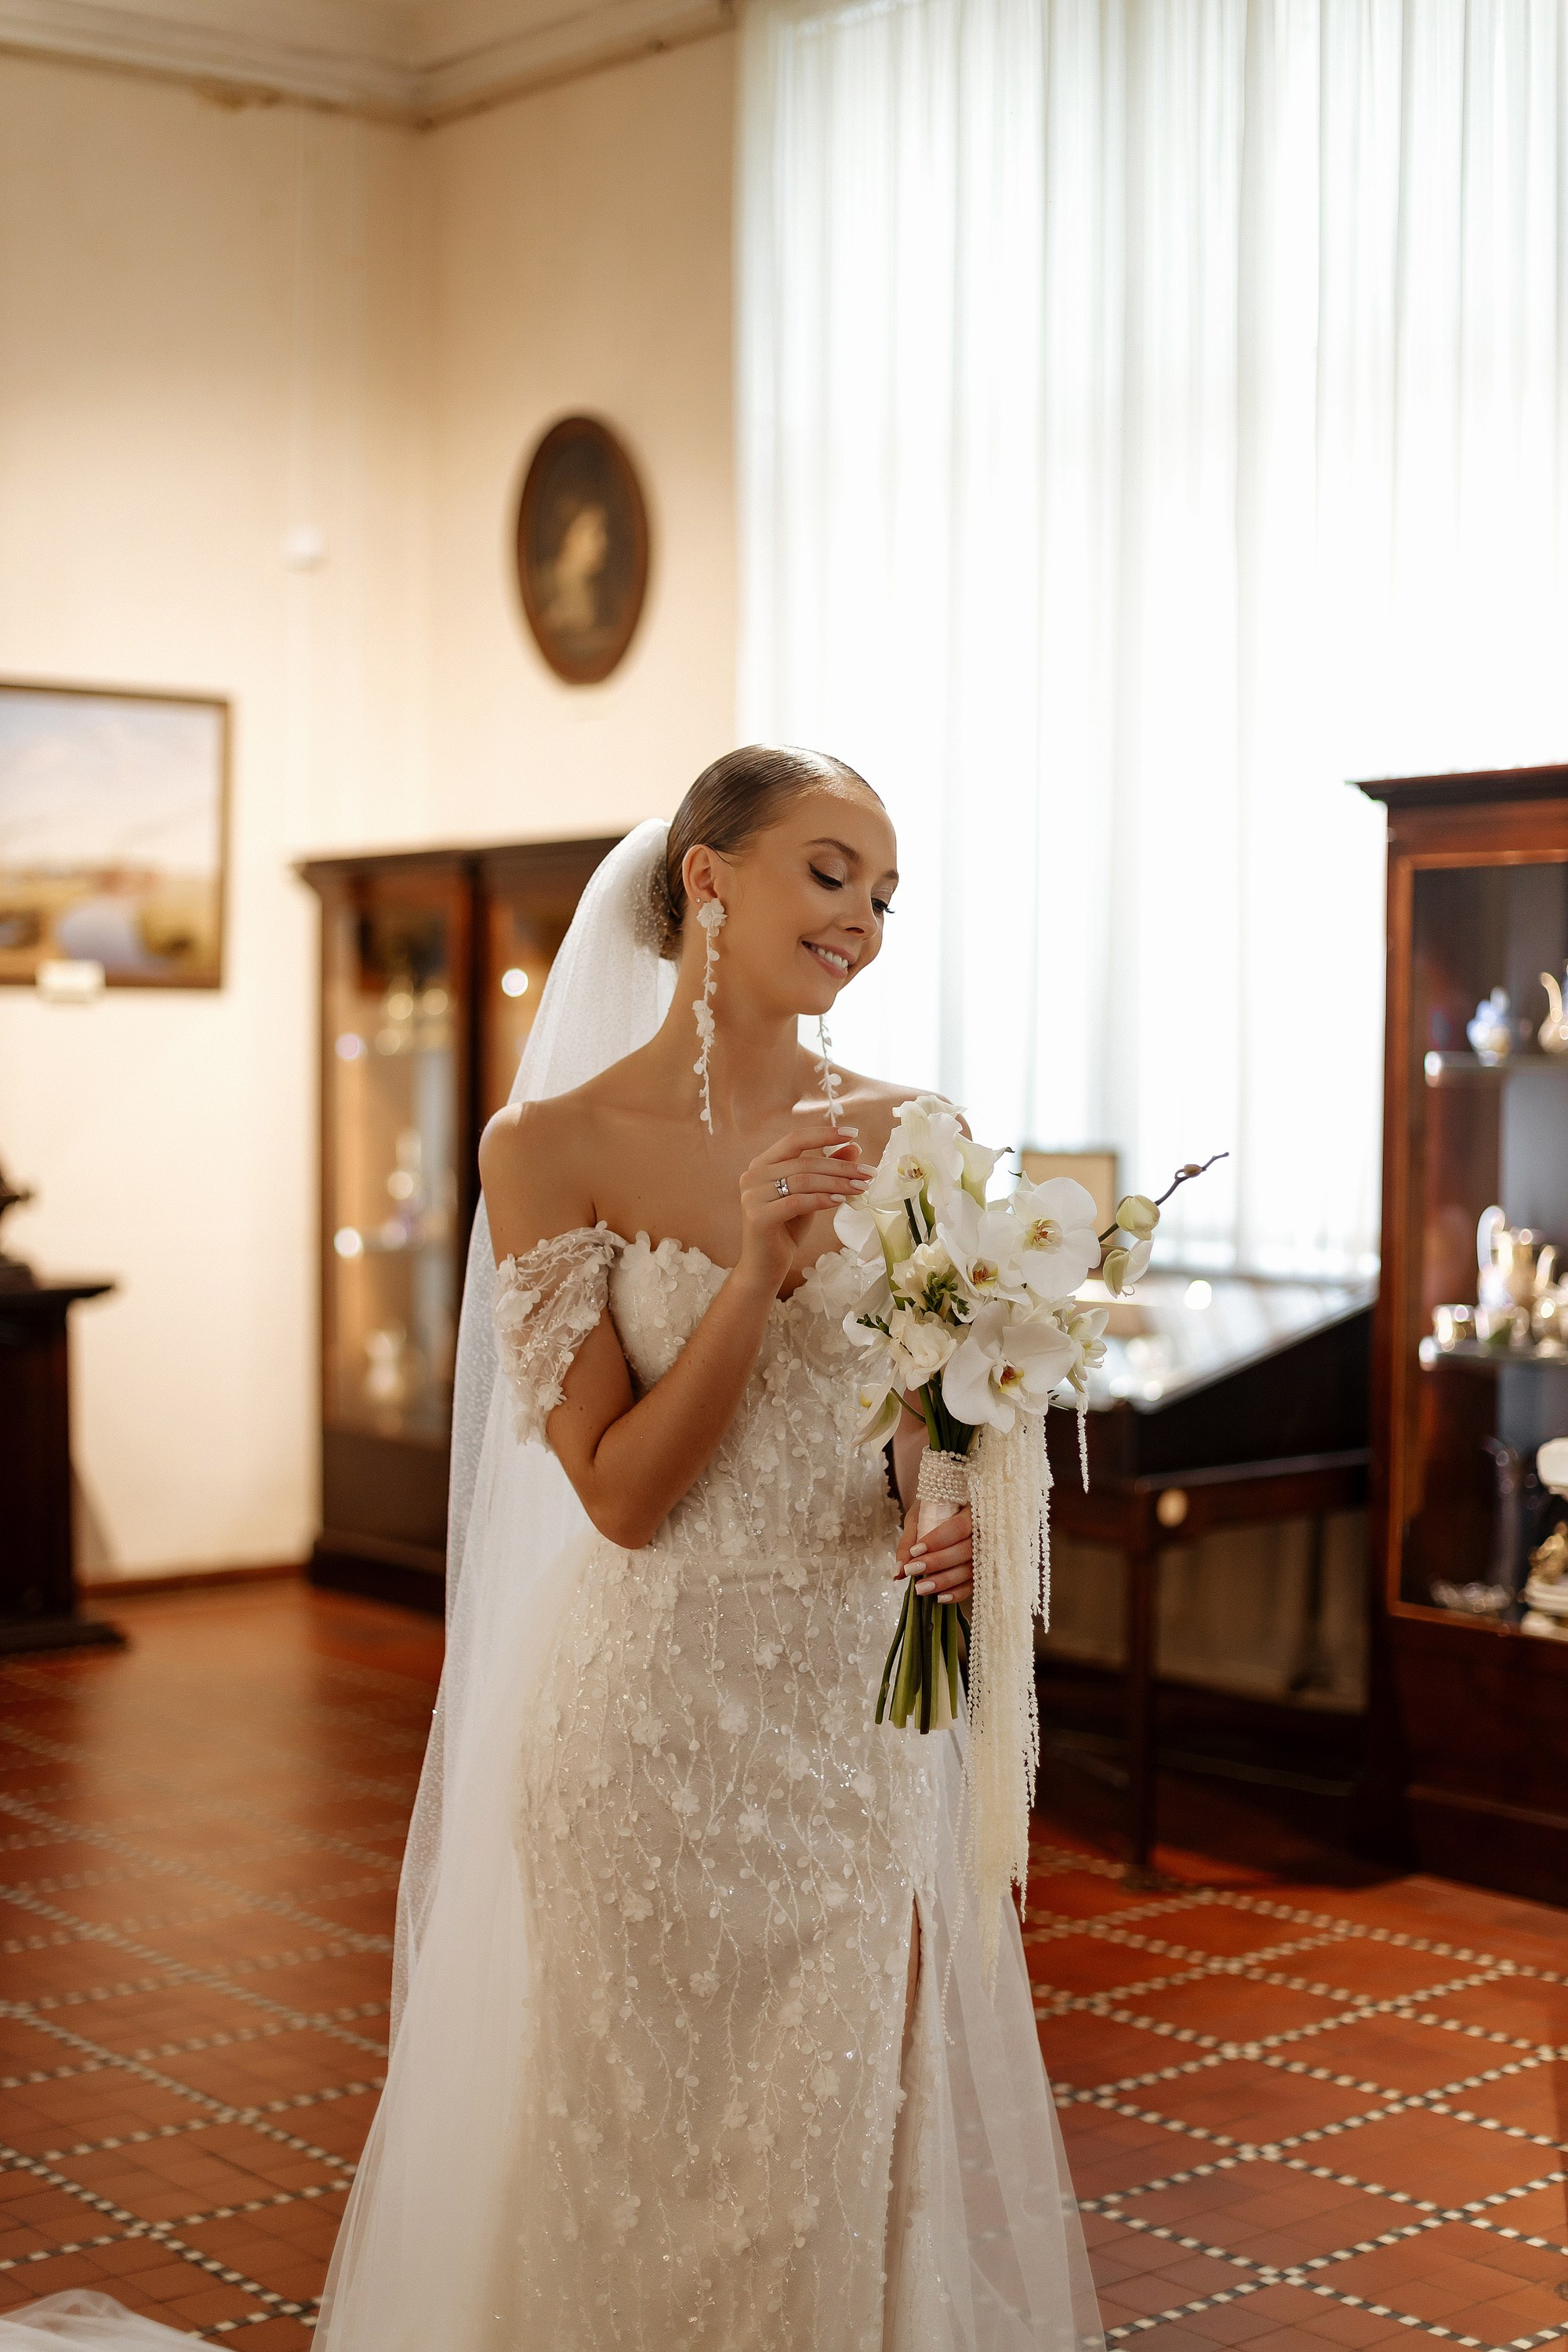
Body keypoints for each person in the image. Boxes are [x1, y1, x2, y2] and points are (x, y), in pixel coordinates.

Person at [0, 749, 1102, 2352]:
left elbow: (940, 1413)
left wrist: (954, 1508)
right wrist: (750, 1269)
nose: (861, 920)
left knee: (824, 2132)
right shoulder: (546, 1146)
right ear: (708, 878)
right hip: (643, 1724)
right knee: (628, 2139)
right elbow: (619, 1494)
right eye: (827, 872)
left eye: (882, 892)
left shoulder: (914, 1131)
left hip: (846, 1730)